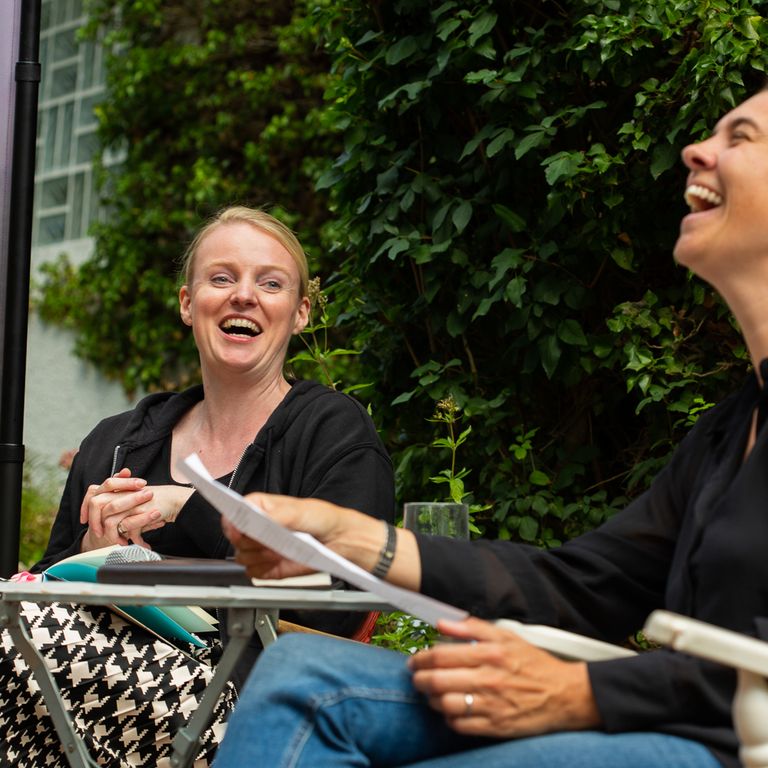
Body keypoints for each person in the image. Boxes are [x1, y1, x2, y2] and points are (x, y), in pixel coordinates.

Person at [211, 90, 768, 768]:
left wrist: (585, 691)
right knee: (302, 676)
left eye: (742, 136)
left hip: (723, 744)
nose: (697, 151)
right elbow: (577, 585)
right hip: (675, 719)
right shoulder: (729, 432)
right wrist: (350, 538)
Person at [1, 206, 394, 767]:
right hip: (84, 692)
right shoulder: (116, 443)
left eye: (271, 283)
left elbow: (343, 598)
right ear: (188, 303)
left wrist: (190, 504)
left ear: (300, 312)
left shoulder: (333, 432)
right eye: (221, 278)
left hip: (252, 707)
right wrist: (92, 556)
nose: (243, 296)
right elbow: (41, 589)